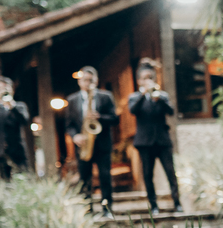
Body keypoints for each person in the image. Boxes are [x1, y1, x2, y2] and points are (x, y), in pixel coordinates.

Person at [128, 59, 183, 216]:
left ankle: (177, 202)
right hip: (145, 143)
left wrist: (159, 99)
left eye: (150, 77)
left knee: (170, 173)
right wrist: (144, 94)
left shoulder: (162, 95)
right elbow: (133, 110)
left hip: (162, 141)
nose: (148, 80)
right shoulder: (134, 97)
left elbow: (171, 112)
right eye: (145, 78)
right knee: (147, 175)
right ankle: (153, 206)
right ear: (139, 80)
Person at [65, 66, 119, 218]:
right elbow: (69, 125)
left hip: (102, 144)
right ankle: (88, 210)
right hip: (83, 145)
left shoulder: (105, 96)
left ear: (96, 81)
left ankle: (107, 209)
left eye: (91, 80)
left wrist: (100, 117)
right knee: (85, 178)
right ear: (79, 82)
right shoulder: (72, 99)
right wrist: (75, 136)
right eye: (85, 80)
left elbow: (115, 118)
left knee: (105, 176)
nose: (88, 83)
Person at [0, 76, 30, 179]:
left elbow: (24, 120)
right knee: (0, 184)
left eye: (5, 88)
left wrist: (11, 105)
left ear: (12, 89)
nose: (2, 91)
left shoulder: (20, 106)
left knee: (21, 181)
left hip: (17, 152)